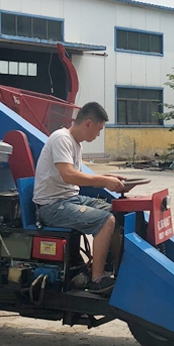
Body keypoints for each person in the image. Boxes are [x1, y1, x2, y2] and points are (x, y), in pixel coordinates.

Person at [33, 102, 125, 294]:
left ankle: (117, 269)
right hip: (52, 207)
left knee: (117, 211)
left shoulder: (76, 144)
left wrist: (109, 178)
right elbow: (69, 175)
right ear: (88, 123)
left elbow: (77, 177)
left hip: (70, 200)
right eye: (98, 130)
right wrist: (102, 180)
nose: (98, 135)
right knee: (105, 221)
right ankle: (97, 279)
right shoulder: (61, 139)